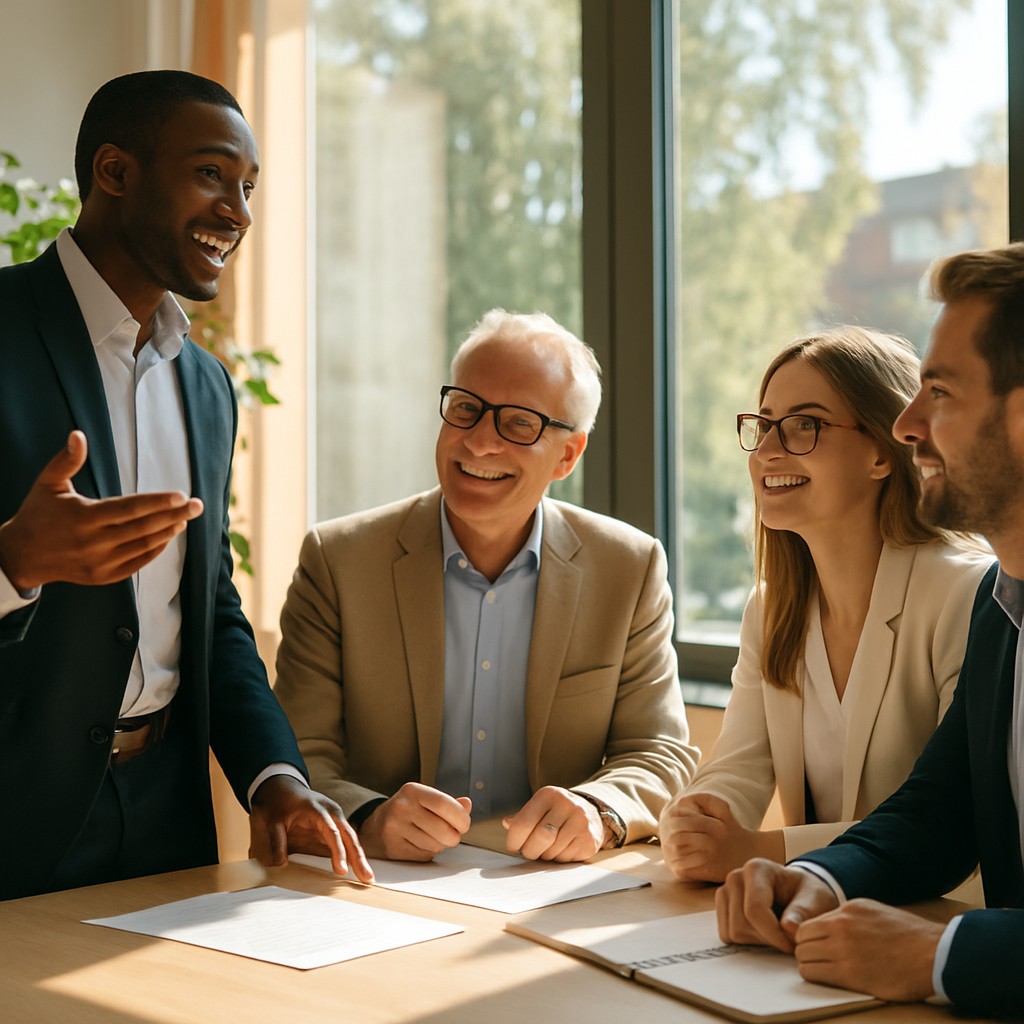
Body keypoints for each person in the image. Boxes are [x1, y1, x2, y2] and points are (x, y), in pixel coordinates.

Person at [0, 70, 371, 901]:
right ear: (114, 171)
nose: (237, 210)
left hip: (168, 823)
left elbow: (207, 611)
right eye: (211, 174)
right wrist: (12, 563)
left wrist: (274, 774)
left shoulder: (206, 385)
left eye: (247, 186)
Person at [715, 244, 1024, 1020]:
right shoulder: (1003, 604)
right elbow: (938, 812)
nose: (910, 427)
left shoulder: (962, 594)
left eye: (941, 394)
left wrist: (942, 956)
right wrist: (817, 877)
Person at [274, 309, 698, 863]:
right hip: (380, 884)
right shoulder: (338, 561)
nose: (478, 443)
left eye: (519, 423)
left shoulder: (629, 567)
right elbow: (299, 751)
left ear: (568, 455)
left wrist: (599, 810)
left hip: (547, 887)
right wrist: (369, 817)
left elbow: (658, 750)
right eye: (467, 409)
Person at [659, 327, 990, 882]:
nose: (766, 452)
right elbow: (738, 767)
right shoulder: (771, 608)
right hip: (814, 914)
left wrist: (757, 849)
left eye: (803, 426)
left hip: (934, 925)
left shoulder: (965, 594)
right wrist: (701, 816)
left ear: (885, 453)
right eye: (763, 425)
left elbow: (949, 823)